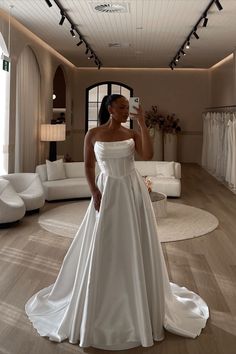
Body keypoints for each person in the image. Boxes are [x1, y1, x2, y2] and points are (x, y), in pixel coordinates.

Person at [25, 94, 209, 350]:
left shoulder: (132, 134)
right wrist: (94, 192)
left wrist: (143, 124)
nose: (126, 111)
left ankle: (138, 297)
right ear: (109, 108)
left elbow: (147, 154)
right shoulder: (93, 134)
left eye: (128, 107)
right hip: (106, 190)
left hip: (132, 191)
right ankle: (100, 300)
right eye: (121, 107)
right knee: (105, 241)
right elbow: (89, 167)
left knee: (134, 240)